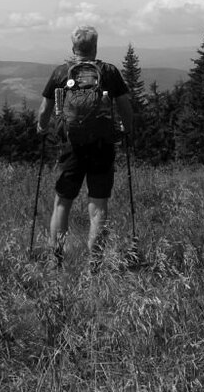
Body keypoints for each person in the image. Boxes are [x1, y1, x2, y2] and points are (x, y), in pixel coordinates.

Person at [36, 25, 133, 269]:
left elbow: (45, 109)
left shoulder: (61, 72)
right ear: (95, 47)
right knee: (98, 205)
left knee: (62, 202)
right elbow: (125, 106)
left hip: (71, 146)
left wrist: (42, 127)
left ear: (73, 48)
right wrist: (127, 128)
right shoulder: (108, 71)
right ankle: (95, 265)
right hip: (102, 145)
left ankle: (56, 260)